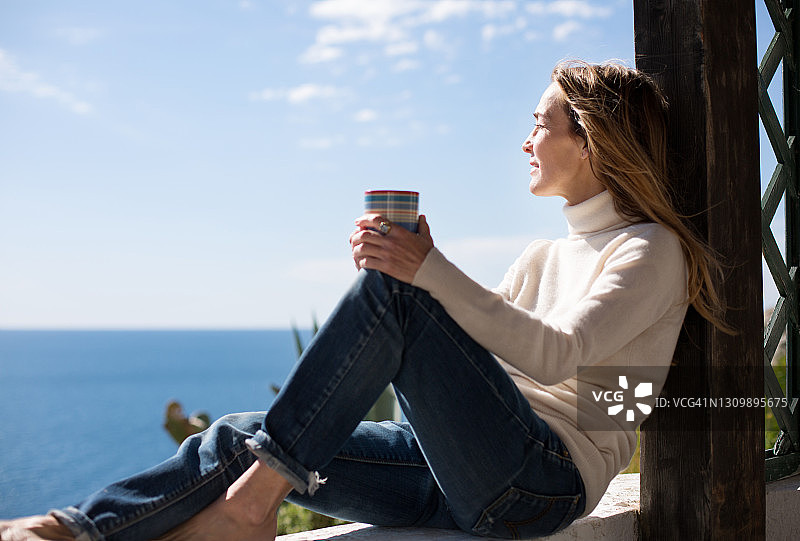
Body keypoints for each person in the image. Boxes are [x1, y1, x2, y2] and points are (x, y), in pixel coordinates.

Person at [0, 60, 728, 541]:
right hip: (466, 470)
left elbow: (559, 353)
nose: (526, 139)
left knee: (398, 297)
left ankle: (252, 509)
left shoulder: (650, 250)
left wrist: (422, 277)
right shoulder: (544, 254)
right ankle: (73, 529)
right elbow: (488, 361)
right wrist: (423, 276)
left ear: (593, 144)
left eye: (541, 122)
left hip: (541, 485)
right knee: (238, 434)